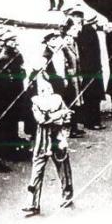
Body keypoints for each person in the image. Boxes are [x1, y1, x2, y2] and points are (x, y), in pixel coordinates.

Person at [24, 75, 74, 214]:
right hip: (42, 141)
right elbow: (41, 120)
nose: (44, 92)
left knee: (63, 168)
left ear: (51, 89)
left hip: (58, 139)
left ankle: (67, 196)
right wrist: (59, 115)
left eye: (46, 89)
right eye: (41, 90)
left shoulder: (58, 100)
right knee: (36, 171)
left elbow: (68, 118)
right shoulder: (36, 103)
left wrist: (63, 131)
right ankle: (32, 203)